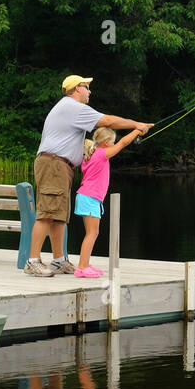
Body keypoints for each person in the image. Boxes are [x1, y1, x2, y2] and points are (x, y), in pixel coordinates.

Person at [25, 75, 152, 277]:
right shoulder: (73, 107)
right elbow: (108, 121)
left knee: (58, 217)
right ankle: (32, 262)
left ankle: (58, 261)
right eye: (87, 87)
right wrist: (137, 124)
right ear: (77, 89)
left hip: (60, 165)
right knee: (47, 214)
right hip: (53, 164)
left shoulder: (69, 108)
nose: (90, 91)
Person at [73, 125, 142, 277]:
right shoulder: (101, 154)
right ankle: (81, 268)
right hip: (89, 197)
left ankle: (85, 264)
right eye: (112, 141)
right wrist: (138, 130)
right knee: (92, 233)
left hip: (89, 197)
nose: (114, 144)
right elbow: (123, 143)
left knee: (92, 232)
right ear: (105, 142)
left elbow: (119, 143)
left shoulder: (92, 153)